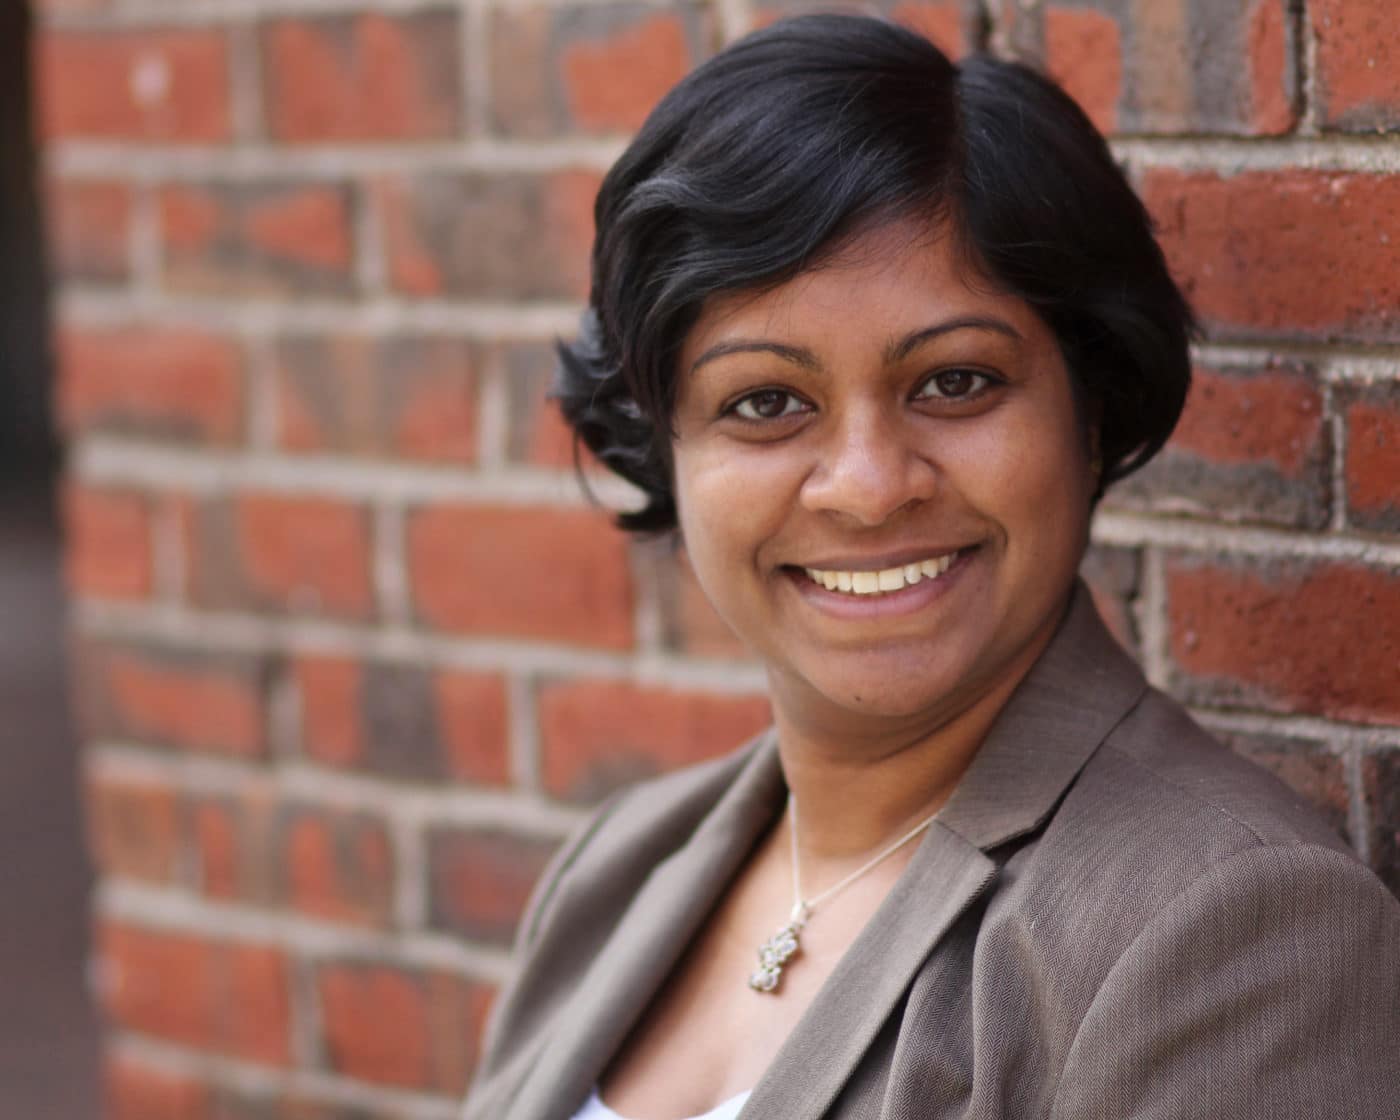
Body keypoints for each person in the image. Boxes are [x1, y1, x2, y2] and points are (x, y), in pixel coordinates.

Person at [461, 15, 1400, 1120]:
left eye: (954, 383)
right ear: (664, 449)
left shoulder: (1224, 927)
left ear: (1090, 410)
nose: (867, 486)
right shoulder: (618, 871)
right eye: (766, 402)